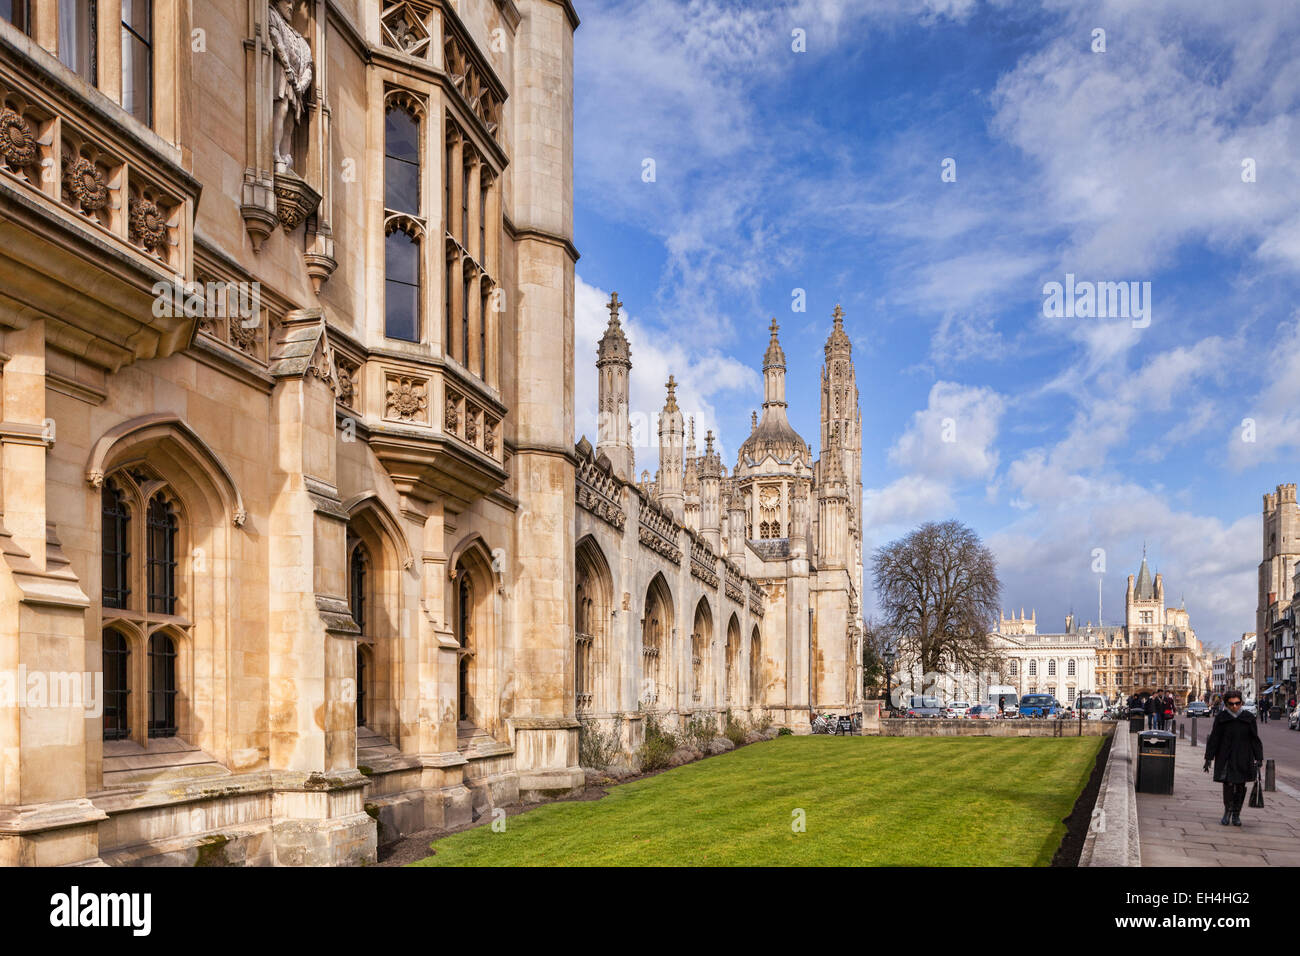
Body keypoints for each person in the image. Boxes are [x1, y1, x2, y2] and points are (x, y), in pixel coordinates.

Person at [1203, 690, 1264, 827]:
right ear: (1226, 704)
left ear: (1241, 703)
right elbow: (1214, 738)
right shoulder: (1222, 717)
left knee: (1241, 786)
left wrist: (1258, 757)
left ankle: (1237, 813)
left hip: (1244, 756)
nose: (1235, 706)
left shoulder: (1248, 718)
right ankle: (1227, 811)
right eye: (1231, 704)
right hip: (1226, 756)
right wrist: (1208, 758)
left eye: (1237, 703)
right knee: (1228, 785)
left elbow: (1255, 739)